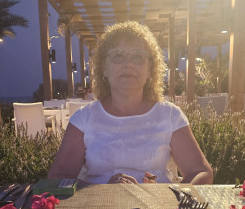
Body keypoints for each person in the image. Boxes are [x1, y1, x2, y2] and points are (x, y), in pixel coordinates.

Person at [48, 21, 213, 185]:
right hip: (97, 203)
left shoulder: (170, 116)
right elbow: (58, 178)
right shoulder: (84, 119)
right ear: (103, 67)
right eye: (118, 56)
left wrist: (168, 196)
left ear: (150, 70)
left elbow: (200, 172)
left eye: (138, 57)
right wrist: (103, 189)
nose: (128, 64)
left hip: (157, 201)